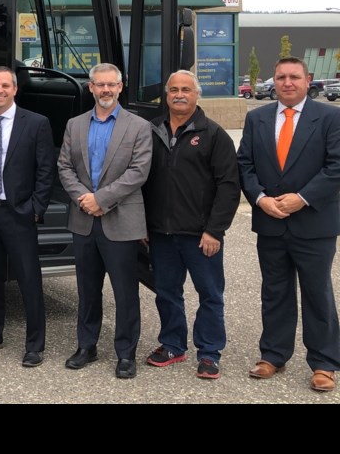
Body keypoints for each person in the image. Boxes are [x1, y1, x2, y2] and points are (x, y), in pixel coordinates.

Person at [238, 56, 340, 392]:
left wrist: (303, 198)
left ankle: (324, 363)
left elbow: (335, 167)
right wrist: (261, 198)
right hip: (271, 222)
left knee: (317, 293)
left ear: (307, 79)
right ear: (274, 81)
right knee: (275, 292)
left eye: (294, 77)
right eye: (281, 77)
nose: (287, 83)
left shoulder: (330, 117)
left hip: (313, 222)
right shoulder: (257, 119)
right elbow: (245, 165)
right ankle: (273, 355)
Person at [142, 70, 240, 380]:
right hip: (161, 233)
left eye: (186, 89)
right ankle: (172, 345)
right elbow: (142, 183)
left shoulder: (213, 134)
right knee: (167, 293)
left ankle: (209, 353)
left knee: (210, 294)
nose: (179, 94)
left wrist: (215, 230)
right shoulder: (152, 131)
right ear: (166, 95)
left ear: (197, 95)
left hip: (201, 235)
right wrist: (143, 225)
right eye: (173, 90)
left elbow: (229, 186)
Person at [57, 62, 151, 379]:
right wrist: (85, 198)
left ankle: (126, 354)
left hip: (121, 221)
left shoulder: (138, 127)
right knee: (87, 290)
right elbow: (65, 168)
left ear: (120, 87)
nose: (106, 90)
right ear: (91, 88)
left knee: (125, 292)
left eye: (112, 85)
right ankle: (87, 346)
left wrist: (102, 199)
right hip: (83, 220)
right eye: (100, 85)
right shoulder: (75, 125)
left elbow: (138, 172)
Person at [0, 66, 55, 367]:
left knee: (29, 279)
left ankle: (35, 344)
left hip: (19, 214)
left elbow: (45, 170)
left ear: (15, 89)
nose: (0, 91)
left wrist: (36, 209)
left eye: (5, 85)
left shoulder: (36, 123)